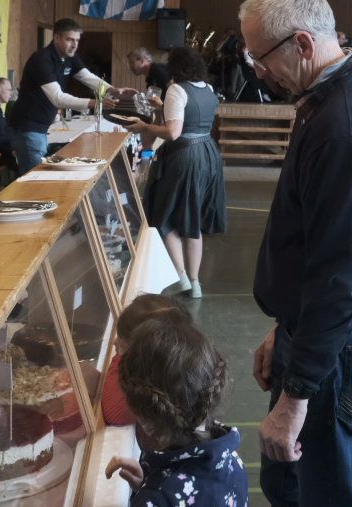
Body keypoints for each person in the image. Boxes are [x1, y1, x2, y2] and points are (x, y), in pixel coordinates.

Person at [240, 0, 352, 507]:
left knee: (321, 493)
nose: (258, 71)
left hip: (340, 344)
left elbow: (340, 276)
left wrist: (296, 395)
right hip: (319, 332)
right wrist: (286, 325)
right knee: (287, 486)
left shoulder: (342, 129)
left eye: (262, 57)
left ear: (304, 44)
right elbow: (315, 245)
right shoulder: (327, 101)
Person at [104, 319, 248, 506]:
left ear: (146, 422)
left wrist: (150, 494)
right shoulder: (232, 460)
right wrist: (148, 484)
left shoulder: (157, 498)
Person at [122, 47, 226, 299]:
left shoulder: (177, 90)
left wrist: (144, 126)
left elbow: (173, 132)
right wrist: (162, 107)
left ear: (176, 68)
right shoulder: (208, 89)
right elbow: (192, 118)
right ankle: (195, 283)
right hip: (208, 154)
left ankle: (181, 277)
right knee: (193, 219)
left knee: (164, 215)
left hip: (184, 156)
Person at [8, 18, 131, 174]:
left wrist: (113, 91)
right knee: (33, 177)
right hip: (28, 127)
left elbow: (88, 77)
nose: (74, 45)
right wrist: (93, 103)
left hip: (41, 127)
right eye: (70, 40)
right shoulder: (41, 60)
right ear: (56, 38)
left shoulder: (70, 58)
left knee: (38, 176)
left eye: (77, 40)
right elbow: (58, 98)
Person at [101, 294, 191, 427]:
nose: (114, 342)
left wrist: (119, 359)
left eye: (122, 343)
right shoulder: (172, 362)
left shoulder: (153, 390)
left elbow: (113, 414)